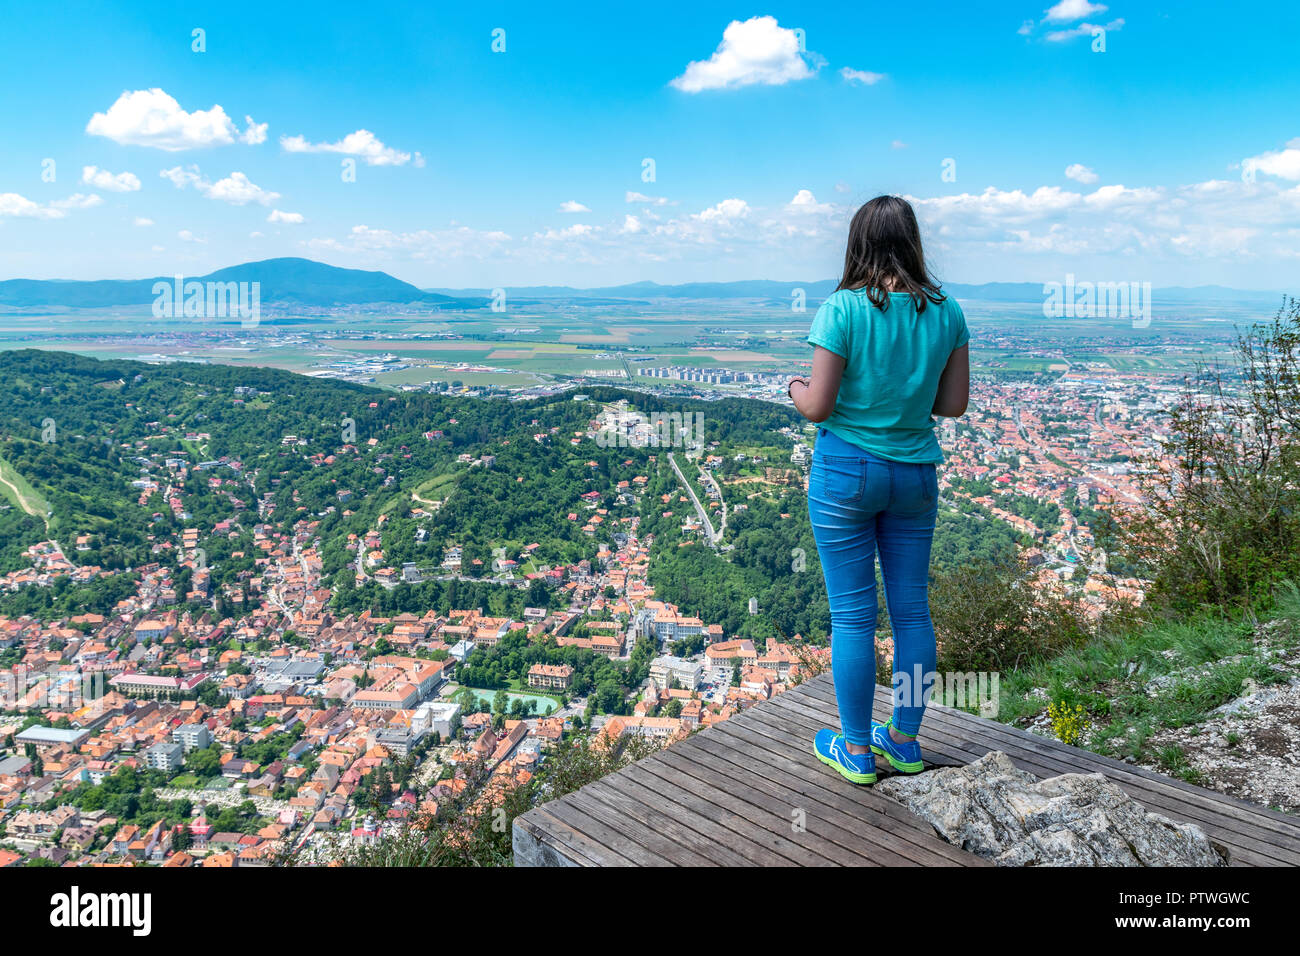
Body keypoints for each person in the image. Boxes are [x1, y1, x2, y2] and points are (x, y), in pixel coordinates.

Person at [787, 195, 969, 785]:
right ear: (913, 241)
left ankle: (858, 750)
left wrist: (794, 386)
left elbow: (817, 407)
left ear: (857, 242)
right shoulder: (947, 311)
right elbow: (953, 405)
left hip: (846, 472)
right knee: (912, 611)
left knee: (852, 616)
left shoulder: (841, 310)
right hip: (915, 473)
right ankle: (906, 739)